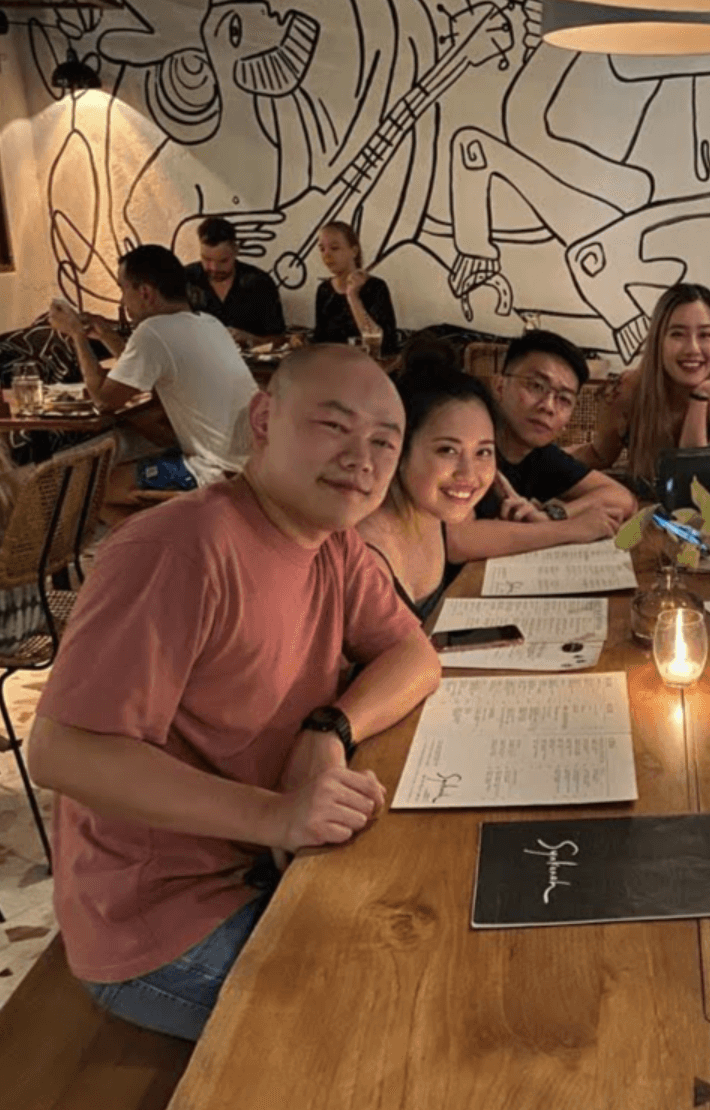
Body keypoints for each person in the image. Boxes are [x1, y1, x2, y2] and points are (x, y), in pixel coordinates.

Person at [26, 345, 442, 1041]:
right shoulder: (179, 549)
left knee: (440, 947)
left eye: (384, 442)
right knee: (388, 1030)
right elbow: (63, 752)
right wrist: (277, 816)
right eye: (334, 426)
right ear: (264, 419)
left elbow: (414, 656)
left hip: (267, 863)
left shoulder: (332, 543)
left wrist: (329, 730)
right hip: (161, 921)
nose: (361, 459)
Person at [47, 245, 259, 506]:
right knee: (145, 442)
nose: (123, 301)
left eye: (123, 289)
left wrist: (77, 335)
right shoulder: (209, 322)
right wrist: (107, 336)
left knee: (91, 488)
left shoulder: (153, 331)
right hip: (253, 462)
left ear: (145, 292)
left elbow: (103, 400)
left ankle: (152, 531)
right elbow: (149, 376)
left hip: (218, 470)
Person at [454, 329, 637, 562]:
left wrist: (554, 515)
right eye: (536, 386)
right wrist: (571, 529)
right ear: (499, 386)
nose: (548, 406)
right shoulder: (470, 442)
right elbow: (458, 540)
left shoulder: (540, 454)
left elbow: (623, 499)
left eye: (564, 399)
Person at [357, 355, 499, 623]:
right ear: (399, 449)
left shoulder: (436, 513)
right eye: (447, 450)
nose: (468, 474)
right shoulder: (365, 560)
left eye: (483, 452)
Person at [570, 283, 710, 491]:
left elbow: (694, 482)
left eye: (705, 335)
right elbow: (599, 455)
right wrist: (540, 456)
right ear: (658, 341)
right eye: (677, 334)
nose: (692, 348)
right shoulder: (627, 390)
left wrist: (700, 397)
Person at [183, 216, 286, 344]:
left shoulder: (260, 283)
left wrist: (251, 339)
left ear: (236, 250)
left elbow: (280, 338)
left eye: (223, 261)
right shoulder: (185, 279)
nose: (214, 268)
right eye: (207, 259)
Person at [311, 221, 399, 357]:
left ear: (354, 251)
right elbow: (320, 341)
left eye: (334, 248)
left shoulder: (375, 287)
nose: (327, 255)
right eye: (322, 249)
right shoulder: (324, 290)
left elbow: (383, 344)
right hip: (333, 363)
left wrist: (353, 296)